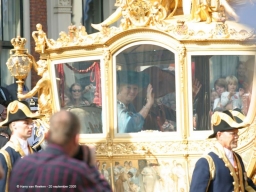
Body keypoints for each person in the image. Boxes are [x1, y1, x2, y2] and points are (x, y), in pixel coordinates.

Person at [9, 110, 112, 192]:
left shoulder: (22, 165)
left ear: (46, 136)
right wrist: (91, 166)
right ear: (76, 140)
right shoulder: (77, 171)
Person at [190, 110, 256, 192]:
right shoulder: (206, 162)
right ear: (219, 135)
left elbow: (246, 184)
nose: (237, 136)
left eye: (237, 133)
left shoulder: (237, 158)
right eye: (233, 133)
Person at [0, 100, 42, 192]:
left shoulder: (33, 151)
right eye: (26, 123)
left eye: (31, 123)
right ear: (14, 126)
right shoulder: (5, 155)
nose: (31, 126)